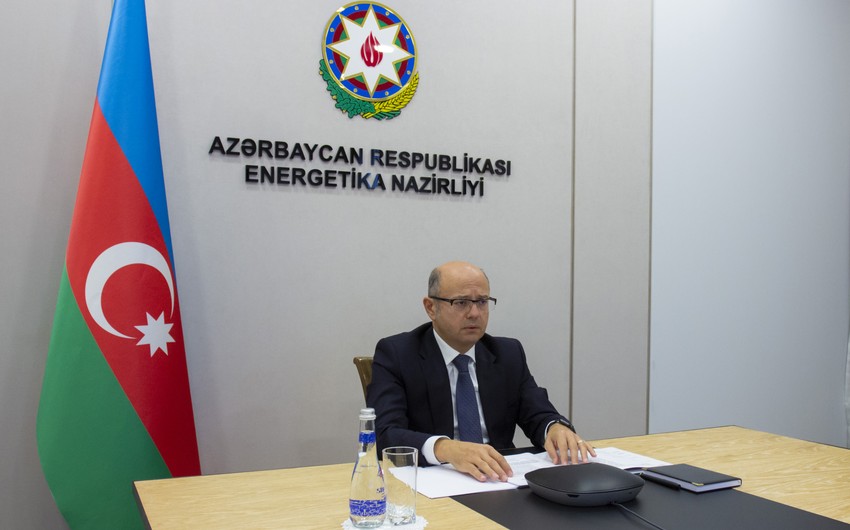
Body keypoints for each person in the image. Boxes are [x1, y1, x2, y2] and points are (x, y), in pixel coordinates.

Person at [367, 261, 596, 483]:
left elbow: (537, 413)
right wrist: (445, 448)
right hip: (434, 481)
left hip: (499, 479)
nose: (475, 313)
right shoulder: (397, 354)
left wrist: (553, 427)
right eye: (461, 302)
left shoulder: (508, 353)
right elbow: (385, 433)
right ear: (431, 307)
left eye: (482, 302)